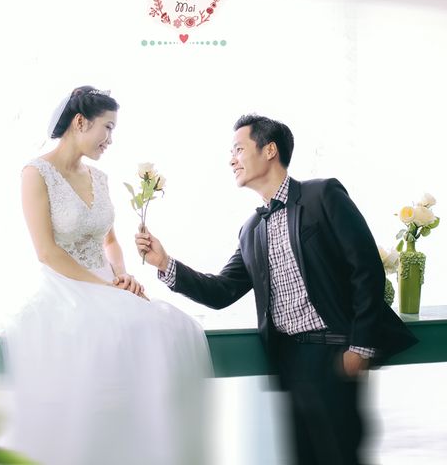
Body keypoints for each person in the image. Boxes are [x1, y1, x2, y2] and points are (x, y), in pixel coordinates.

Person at [136, 114, 418, 465]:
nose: (231, 160)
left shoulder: (323, 195)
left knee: (341, 456)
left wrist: (359, 347)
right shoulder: (251, 229)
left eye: (239, 149)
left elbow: (366, 268)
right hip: (289, 361)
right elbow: (222, 290)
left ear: (269, 150)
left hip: (336, 354)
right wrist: (165, 263)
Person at [0, 86, 211, 465]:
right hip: (63, 286)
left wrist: (122, 275)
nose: (111, 139)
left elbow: (110, 240)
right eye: (108, 127)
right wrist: (107, 288)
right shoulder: (35, 173)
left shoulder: (99, 177)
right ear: (80, 122)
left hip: (107, 283)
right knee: (100, 342)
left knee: (172, 327)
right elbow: (46, 251)